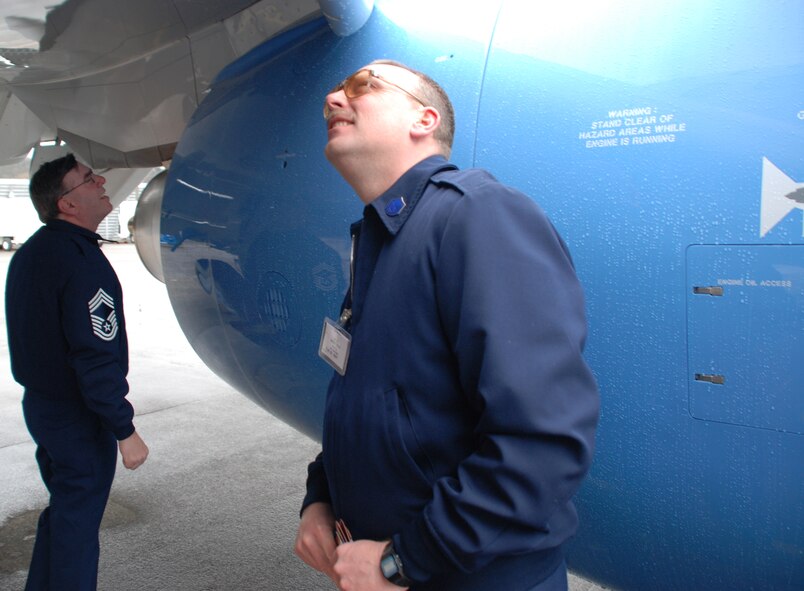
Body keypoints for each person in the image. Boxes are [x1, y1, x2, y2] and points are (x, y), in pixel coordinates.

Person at [294, 60, 599, 591]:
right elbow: (368, 401)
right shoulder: (381, 238)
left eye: (361, 87)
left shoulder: (478, 216)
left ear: (424, 119)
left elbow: (541, 441)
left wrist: (402, 560)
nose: (333, 99)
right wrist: (319, 497)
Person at [5, 154, 149, 590]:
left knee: (65, 512)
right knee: (77, 529)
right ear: (66, 204)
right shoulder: (80, 262)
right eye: (87, 179)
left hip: (45, 409)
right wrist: (124, 429)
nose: (101, 180)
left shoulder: (32, 253)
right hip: (77, 417)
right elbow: (93, 355)